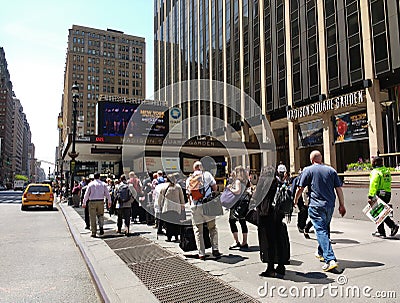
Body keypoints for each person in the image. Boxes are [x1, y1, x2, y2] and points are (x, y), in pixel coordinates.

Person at [294, 150, 346, 272]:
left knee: (321, 230)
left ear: (311, 160)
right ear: (321, 158)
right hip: (330, 205)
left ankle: (330, 259)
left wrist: (295, 200)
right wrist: (342, 205)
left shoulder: (308, 170)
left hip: (316, 205)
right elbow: (338, 189)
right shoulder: (331, 170)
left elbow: (300, 188)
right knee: (325, 228)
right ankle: (321, 252)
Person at [253, 167, 288, 277]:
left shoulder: (263, 183)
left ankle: (270, 268)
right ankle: (281, 266)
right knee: (279, 240)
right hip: (278, 214)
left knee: (268, 242)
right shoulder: (278, 182)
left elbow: (256, 197)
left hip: (266, 215)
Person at [187, 161, 221, 260]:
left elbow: (188, 194)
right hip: (208, 206)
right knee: (212, 228)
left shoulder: (189, 179)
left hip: (195, 206)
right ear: (201, 167)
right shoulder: (207, 175)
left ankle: (201, 253)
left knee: (198, 230)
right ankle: (215, 249)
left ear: (194, 169)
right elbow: (215, 188)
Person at [368, 156, 399, 238]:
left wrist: (371, 196)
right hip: (387, 194)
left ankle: (387, 229)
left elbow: (373, 184)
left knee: (378, 212)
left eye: (372, 161)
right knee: (380, 212)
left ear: (375, 163)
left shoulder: (375, 172)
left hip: (378, 193)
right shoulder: (386, 171)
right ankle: (383, 229)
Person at [158, 173, 186, 242]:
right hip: (176, 208)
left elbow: (160, 199)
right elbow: (181, 197)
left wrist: (160, 206)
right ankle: (176, 237)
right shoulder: (178, 187)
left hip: (167, 208)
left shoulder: (163, 187)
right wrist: (182, 205)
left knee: (168, 223)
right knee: (176, 222)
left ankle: (169, 237)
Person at [83, 172, 112, 238]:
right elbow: (107, 193)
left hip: (92, 202)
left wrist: (84, 202)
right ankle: (101, 227)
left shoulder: (90, 184)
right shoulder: (103, 184)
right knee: (101, 215)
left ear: (94, 177)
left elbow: (86, 194)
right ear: (99, 177)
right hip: (101, 201)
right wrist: (109, 201)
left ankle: (94, 232)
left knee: (92, 217)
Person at [227, 166, 249, 250]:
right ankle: (245, 241)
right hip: (243, 204)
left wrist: (230, 189)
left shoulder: (238, 181)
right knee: (242, 222)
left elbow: (237, 191)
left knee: (232, 221)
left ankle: (236, 241)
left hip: (237, 204)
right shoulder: (245, 181)